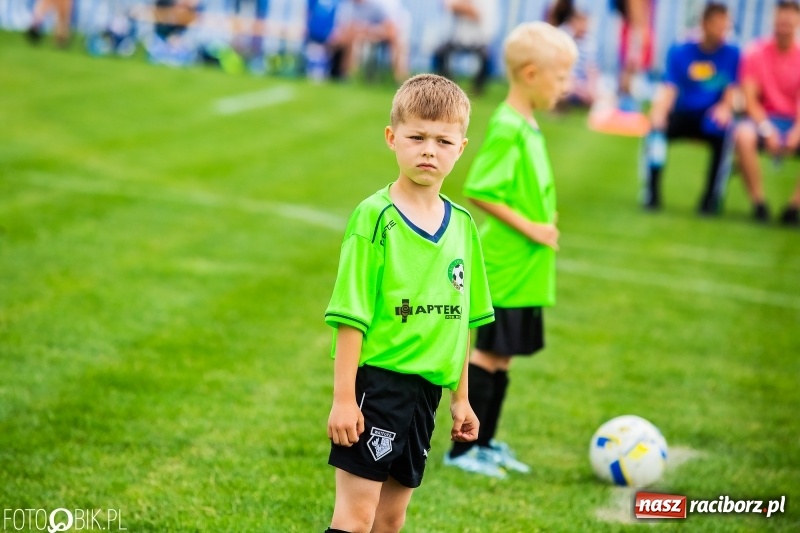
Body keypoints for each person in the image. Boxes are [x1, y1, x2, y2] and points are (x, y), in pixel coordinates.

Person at [324, 73, 495, 532]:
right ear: (391, 138)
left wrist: (461, 398)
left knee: (391, 520)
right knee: (356, 518)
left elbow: (460, 323)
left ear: (461, 148)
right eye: (417, 137)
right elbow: (350, 315)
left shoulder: (462, 227)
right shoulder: (374, 217)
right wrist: (344, 399)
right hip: (377, 387)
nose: (428, 150)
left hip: (427, 393)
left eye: (443, 140)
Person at [443, 22, 577, 478]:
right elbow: (481, 188)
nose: (566, 87)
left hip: (525, 266)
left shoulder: (529, 125)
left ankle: (486, 441)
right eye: (561, 77)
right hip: (504, 262)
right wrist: (533, 228)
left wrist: (543, 222)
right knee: (486, 353)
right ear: (531, 73)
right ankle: (462, 450)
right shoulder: (508, 125)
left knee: (503, 356)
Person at [641, 2, 740, 214]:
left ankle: (711, 199)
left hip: (710, 116)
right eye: (717, 24)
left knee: (724, 134)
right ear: (704, 24)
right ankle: (652, 194)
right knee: (656, 132)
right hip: (683, 112)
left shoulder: (732, 53)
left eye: (725, 25)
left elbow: (731, 90)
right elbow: (670, 87)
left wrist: (724, 108)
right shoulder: (680, 50)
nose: (722, 30)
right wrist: (659, 112)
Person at [734, 0, 800, 225]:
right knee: (743, 134)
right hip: (763, 119)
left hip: (793, 121)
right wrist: (766, 128)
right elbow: (750, 100)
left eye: (789, 21)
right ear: (774, 20)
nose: (784, 26)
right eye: (781, 20)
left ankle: (794, 207)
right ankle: (759, 203)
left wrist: (797, 131)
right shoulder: (756, 53)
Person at [326, 0, 407, 82]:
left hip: (380, 34)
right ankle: (346, 76)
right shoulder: (347, 7)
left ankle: (399, 79)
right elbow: (343, 30)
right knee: (350, 39)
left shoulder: (379, 5)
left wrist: (369, 30)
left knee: (397, 43)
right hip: (360, 36)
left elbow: (391, 30)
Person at [432, 0, 498, 95]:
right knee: (439, 53)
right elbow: (446, 5)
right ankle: (447, 84)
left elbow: (476, 14)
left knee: (487, 56)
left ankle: (477, 88)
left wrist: (461, 7)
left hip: (479, 40)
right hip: (458, 39)